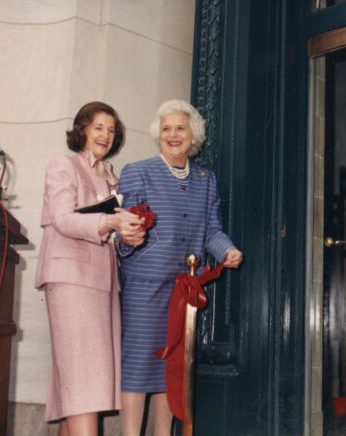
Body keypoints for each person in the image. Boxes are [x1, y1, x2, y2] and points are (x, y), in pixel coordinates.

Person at [117, 99, 244, 435]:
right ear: (158, 136)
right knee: (137, 367)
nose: (173, 134)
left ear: (194, 136)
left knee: (169, 368)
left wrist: (227, 250)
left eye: (180, 128)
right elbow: (124, 229)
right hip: (144, 287)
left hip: (182, 290)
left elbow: (211, 231)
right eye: (166, 129)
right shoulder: (138, 171)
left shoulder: (206, 180)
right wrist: (130, 237)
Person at [35, 101, 145, 435]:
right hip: (70, 280)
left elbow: (108, 234)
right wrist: (110, 220)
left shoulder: (111, 177)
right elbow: (62, 218)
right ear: (82, 128)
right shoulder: (63, 165)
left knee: (82, 381)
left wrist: (129, 237)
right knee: (83, 380)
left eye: (111, 130)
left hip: (100, 284)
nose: (105, 135)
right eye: (98, 126)